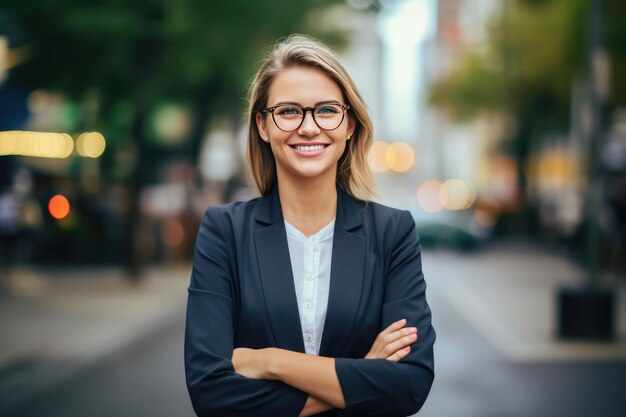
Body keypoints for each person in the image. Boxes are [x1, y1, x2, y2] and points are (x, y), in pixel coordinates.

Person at [185, 34, 435, 417]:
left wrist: (270, 362)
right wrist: (365, 374)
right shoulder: (224, 231)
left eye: (326, 110)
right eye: (288, 111)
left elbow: (411, 385)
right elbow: (210, 392)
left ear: (349, 124)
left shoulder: (392, 233)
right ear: (262, 126)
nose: (308, 127)